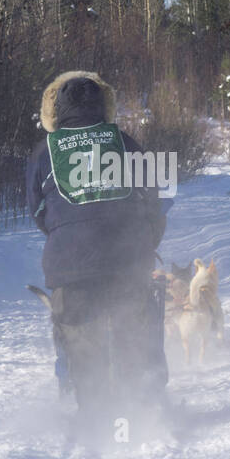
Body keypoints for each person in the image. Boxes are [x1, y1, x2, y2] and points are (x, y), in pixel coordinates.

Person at [26, 70, 168, 436]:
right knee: (135, 336)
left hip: (71, 268)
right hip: (128, 263)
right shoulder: (127, 143)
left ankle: (93, 419)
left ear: (54, 110)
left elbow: (38, 212)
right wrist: (146, 240)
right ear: (105, 105)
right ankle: (146, 414)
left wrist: (65, 236)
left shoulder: (44, 153)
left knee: (81, 346)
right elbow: (154, 200)